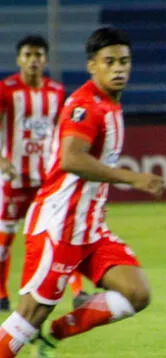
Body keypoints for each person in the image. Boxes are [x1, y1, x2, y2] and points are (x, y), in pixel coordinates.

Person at [0, 27, 164, 358]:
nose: (119, 68)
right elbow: (71, 158)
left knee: (136, 294)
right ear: (92, 66)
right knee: (30, 315)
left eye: (124, 61)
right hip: (59, 227)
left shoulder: (111, 105)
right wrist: (131, 179)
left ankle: (56, 334)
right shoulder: (85, 106)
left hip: (89, 229)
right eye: (109, 62)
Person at [0, 35, 86, 312]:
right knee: (5, 238)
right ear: (19, 59)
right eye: (28, 55)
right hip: (14, 177)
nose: (33, 60)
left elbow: (62, 131)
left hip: (46, 179)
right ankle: (1, 294)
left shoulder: (56, 92)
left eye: (38, 55)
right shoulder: (6, 90)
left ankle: (79, 291)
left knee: (59, 234)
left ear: (45, 59)